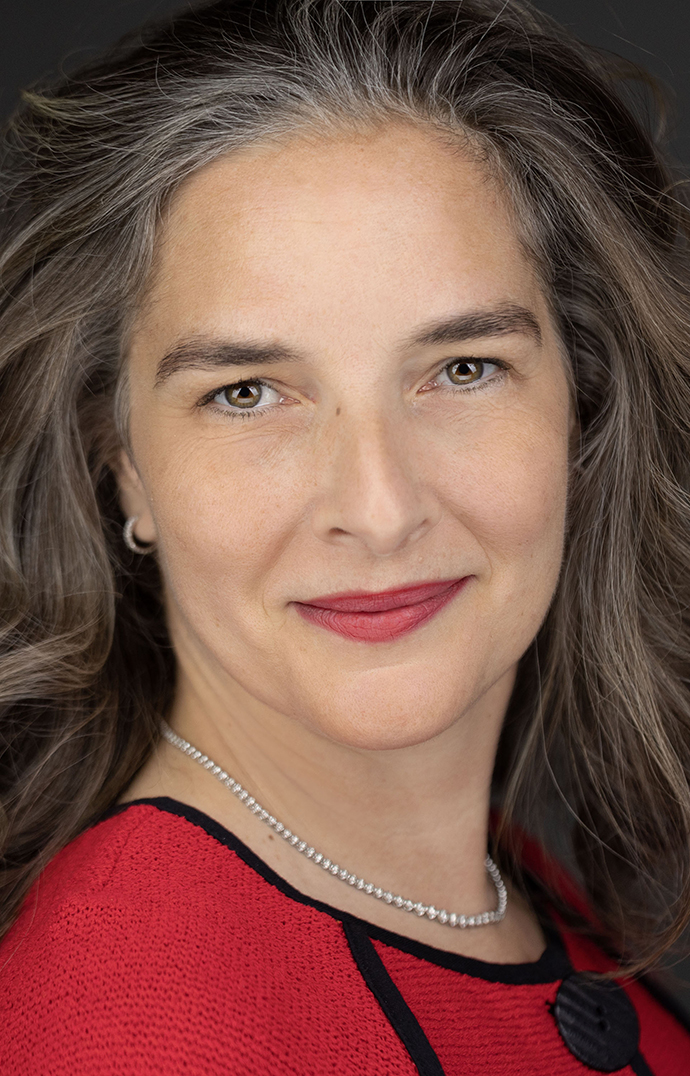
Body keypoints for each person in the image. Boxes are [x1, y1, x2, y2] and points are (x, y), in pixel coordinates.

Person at [0, 0, 689, 1072]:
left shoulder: (498, 886)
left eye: (463, 369)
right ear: (123, 458)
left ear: (581, 405)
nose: (377, 506)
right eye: (247, 392)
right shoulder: (133, 1027)